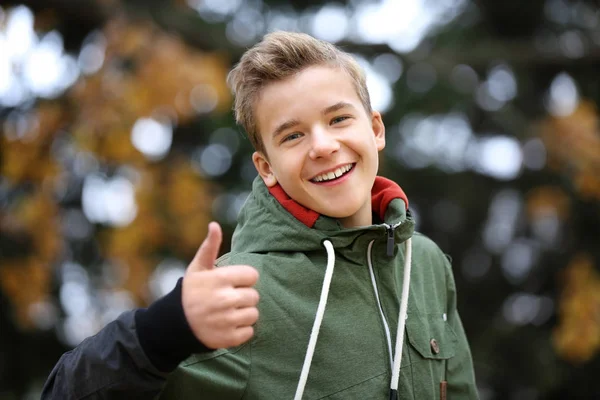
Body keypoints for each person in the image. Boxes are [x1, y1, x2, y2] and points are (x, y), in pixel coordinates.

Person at [42, 31, 479, 399]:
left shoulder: (424, 263)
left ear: (376, 129)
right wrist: (164, 329)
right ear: (266, 168)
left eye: (339, 119)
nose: (323, 145)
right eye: (292, 135)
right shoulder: (239, 292)